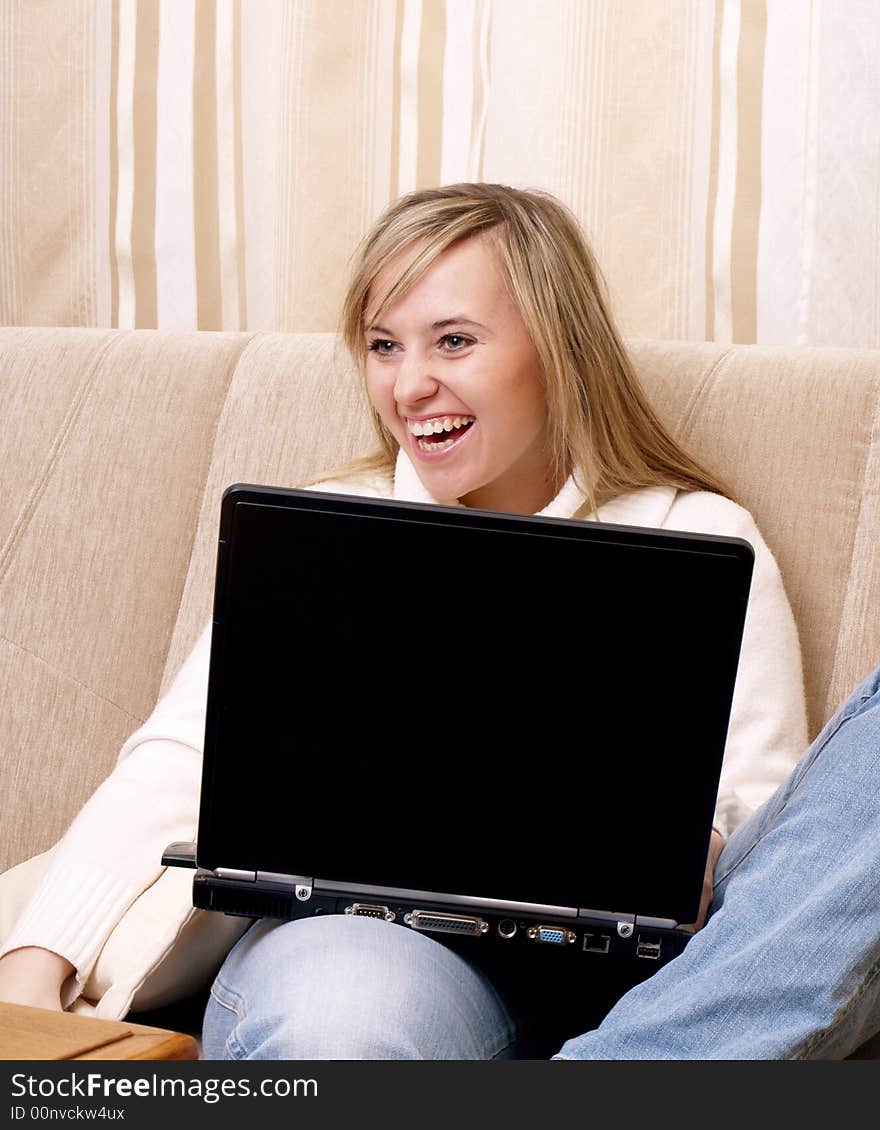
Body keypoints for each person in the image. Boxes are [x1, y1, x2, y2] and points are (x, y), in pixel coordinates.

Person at [0, 182, 878, 1059]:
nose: (411, 384)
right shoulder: (324, 529)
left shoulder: (699, 536)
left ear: (560, 350)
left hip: (631, 982)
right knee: (339, 1018)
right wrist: (37, 962)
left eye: (453, 341)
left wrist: (696, 844)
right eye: (384, 346)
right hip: (377, 945)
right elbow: (179, 763)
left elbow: (769, 820)